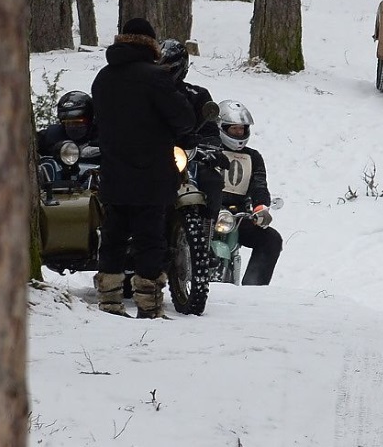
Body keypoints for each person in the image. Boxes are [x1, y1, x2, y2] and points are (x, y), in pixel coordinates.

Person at [90, 17, 199, 318]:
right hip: (152, 174)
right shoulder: (156, 77)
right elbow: (184, 119)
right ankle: (149, 305)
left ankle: (109, 301)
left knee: (113, 237)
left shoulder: (103, 78)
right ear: (151, 44)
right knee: (150, 240)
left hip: (114, 172)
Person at [213, 100, 282, 286]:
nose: (238, 133)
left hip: (238, 217)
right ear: (221, 127)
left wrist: (261, 207)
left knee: (272, 239)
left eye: (241, 129)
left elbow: (259, 184)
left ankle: (253, 289)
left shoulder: (254, 157)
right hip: (207, 214)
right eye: (234, 128)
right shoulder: (208, 151)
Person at [158, 38, 228, 216]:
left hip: (186, 157)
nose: (164, 73)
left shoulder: (196, 95)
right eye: (159, 68)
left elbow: (210, 131)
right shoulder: (145, 94)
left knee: (212, 180)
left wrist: (209, 149)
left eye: (169, 69)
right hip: (151, 154)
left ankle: (208, 227)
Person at [36, 90, 97, 156]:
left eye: (78, 122)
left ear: (90, 119)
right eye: (67, 122)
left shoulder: (101, 136)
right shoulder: (51, 136)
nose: (72, 126)